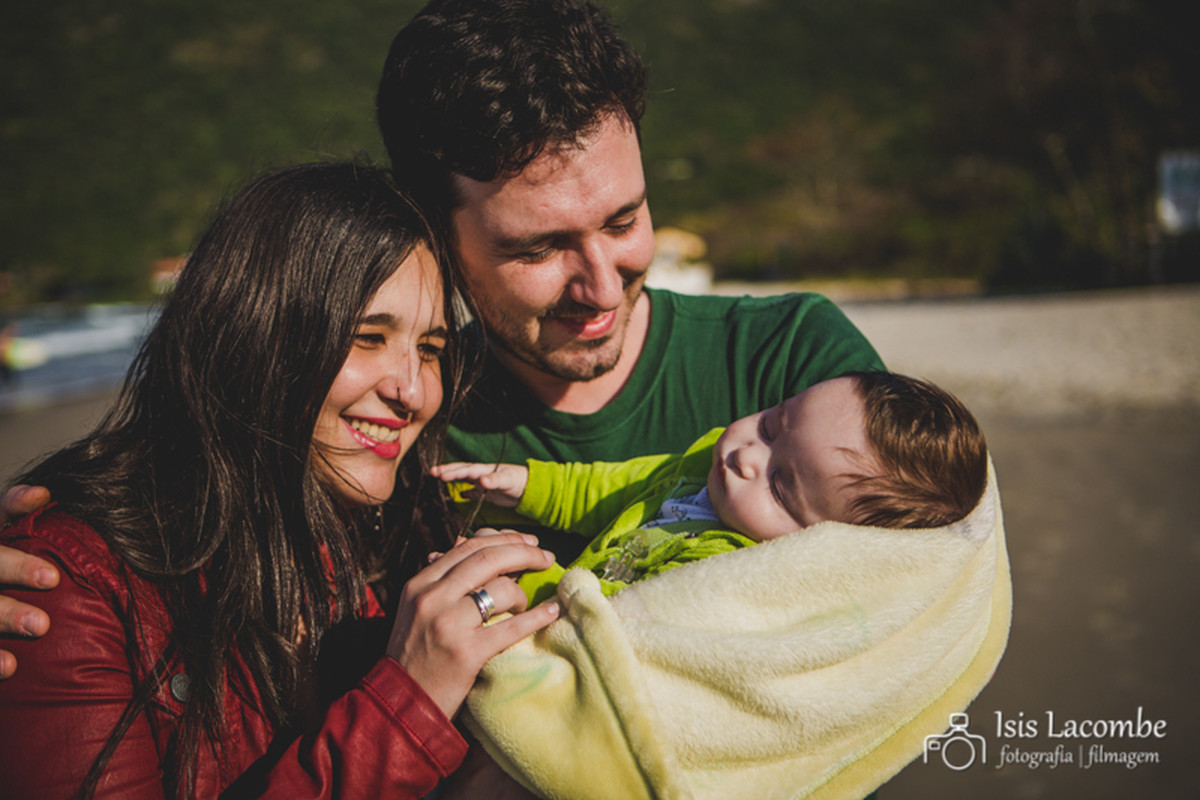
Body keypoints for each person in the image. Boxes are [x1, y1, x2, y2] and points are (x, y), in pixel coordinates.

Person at [0, 0, 883, 680]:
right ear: (432, 230)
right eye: (538, 247)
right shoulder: (381, 423)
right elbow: (192, 535)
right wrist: (61, 573)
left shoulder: (795, 371)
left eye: (625, 218)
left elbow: (928, 596)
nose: (602, 284)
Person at [0, 164, 562, 799]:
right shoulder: (65, 584)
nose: (413, 391)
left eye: (429, 349)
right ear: (256, 336)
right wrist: (407, 705)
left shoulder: (369, 543)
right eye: (367, 337)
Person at [435, 372, 988, 605]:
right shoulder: (708, 460)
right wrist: (530, 486)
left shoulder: (723, 567)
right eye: (773, 424)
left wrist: (522, 581)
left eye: (780, 486)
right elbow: (619, 485)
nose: (748, 454)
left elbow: (606, 626)